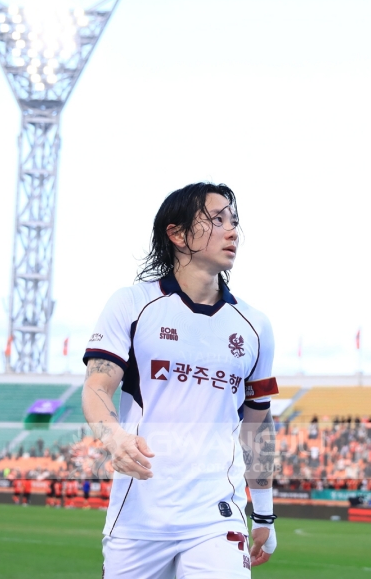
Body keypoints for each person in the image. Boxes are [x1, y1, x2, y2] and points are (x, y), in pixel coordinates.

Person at [82, 183, 278, 578]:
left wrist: (264, 512)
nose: (232, 231)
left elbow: (258, 423)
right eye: (217, 219)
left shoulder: (256, 326)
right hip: (138, 515)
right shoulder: (132, 304)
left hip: (216, 514)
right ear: (177, 234)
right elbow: (96, 387)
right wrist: (114, 438)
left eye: (234, 221)